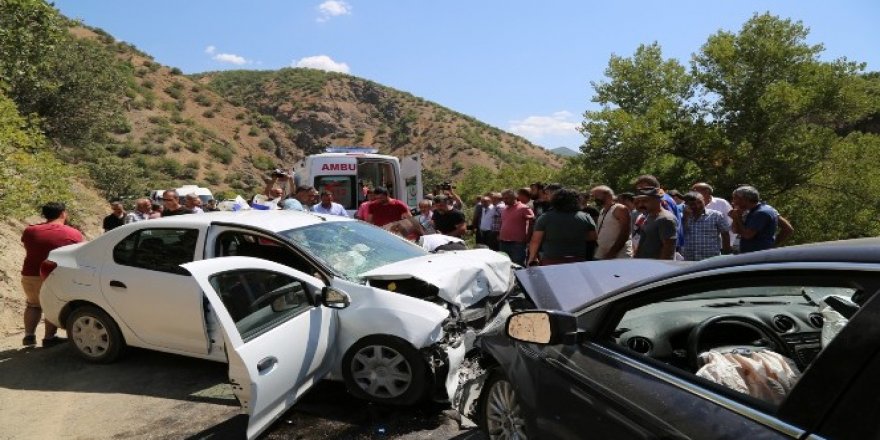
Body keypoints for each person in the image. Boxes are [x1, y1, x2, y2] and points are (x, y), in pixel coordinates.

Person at [20, 202, 84, 347]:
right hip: (53, 275)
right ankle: (49, 338)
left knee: (32, 305)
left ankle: (29, 336)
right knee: (52, 305)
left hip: (30, 274)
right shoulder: (72, 232)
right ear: (63, 214)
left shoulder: (30, 230)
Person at [528, 188, 597, 266]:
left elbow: (535, 241)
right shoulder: (586, 217)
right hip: (578, 260)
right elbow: (593, 237)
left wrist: (532, 258)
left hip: (551, 260)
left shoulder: (545, 217)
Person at [729, 185, 783, 253]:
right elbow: (736, 230)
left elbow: (747, 235)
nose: (733, 202)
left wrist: (773, 245)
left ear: (744, 199)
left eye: (735, 198)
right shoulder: (751, 211)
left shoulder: (761, 213)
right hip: (750, 252)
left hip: (758, 254)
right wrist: (735, 217)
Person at [680, 192, 731, 261]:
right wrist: (685, 218)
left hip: (711, 259)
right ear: (686, 205)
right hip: (689, 259)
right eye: (692, 204)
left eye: (700, 202)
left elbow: (725, 235)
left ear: (704, 201)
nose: (697, 206)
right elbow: (680, 234)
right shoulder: (682, 217)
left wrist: (726, 255)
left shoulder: (716, 215)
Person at [635, 175, 682, 247]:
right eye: (638, 189)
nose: (641, 192)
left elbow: (667, 229)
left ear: (653, 188)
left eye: (643, 189)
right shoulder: (662, 198)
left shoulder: (662, 201)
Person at [633, 188, 677, 260]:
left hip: (656, 266)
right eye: (639, 201)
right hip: (644, 264)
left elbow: (668, 249)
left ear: (658, 200)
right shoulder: (649, 216)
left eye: (645, 201)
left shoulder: (665, 219)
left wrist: (660, 267)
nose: (641, 204)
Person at [591, 185, 633, 259]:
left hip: (619, 255)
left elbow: (625, 233)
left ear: (607, 195)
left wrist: (612, 253)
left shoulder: (620, 209)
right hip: (603, 254)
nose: (594, 199)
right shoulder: (602, 211)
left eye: (596, 196)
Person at [498, 188, 535, 265]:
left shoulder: (523, 208)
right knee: (505, 265)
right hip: (503, 242)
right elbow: (502, 223)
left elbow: (532, 222)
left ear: (514, 197)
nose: (504, 200)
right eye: (503, 198)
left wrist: (528, 237)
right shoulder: (504, 209)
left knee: (517, 265)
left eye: (506, 198)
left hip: (517, 243)